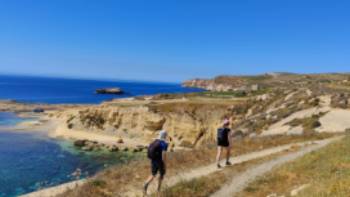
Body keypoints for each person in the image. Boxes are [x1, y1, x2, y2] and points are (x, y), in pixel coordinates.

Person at [143, 130, 168, 196]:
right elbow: (163, 155)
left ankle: (145, 184)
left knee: (153, 174)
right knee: (161, 175)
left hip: (153, 160)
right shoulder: (164, 144)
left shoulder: (154, 141)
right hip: (160, 161)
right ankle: (158, 191)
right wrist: (164, 164)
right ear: (165, 136)